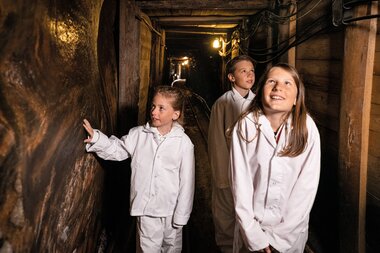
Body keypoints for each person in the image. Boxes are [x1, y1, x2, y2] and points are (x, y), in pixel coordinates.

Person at [83, 85, 195, 253]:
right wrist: (97, 139)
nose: (154, 112)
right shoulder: (138, 135)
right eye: (153, 106)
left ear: (175, 114)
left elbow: (187, 182)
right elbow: (117, 149)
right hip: (147, 211)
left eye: (161, 108)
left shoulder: (184, 142)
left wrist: (182, 215)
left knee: (172, 249)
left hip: (171, 211)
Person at [229, 63, 321, 253]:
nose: (279, 87)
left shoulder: (307, 128)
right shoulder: (245, 125)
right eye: (272, 81)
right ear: (261, 90)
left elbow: (305, 189)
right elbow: (240, 184)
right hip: (251, 230)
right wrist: (254, 235)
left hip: (290, 235)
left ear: (296, 98)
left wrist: (279, 239)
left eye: (288, 83)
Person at [208, 55, 256, 252]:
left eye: (252, 70)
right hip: (229, 170)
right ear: (231, 77)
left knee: (250, 217)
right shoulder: (222, 104)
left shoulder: (259, 102)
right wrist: (222, 178)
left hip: (253, 173)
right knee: (226, 216)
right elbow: (216, 143)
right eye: (243, 71)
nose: (249, 75)